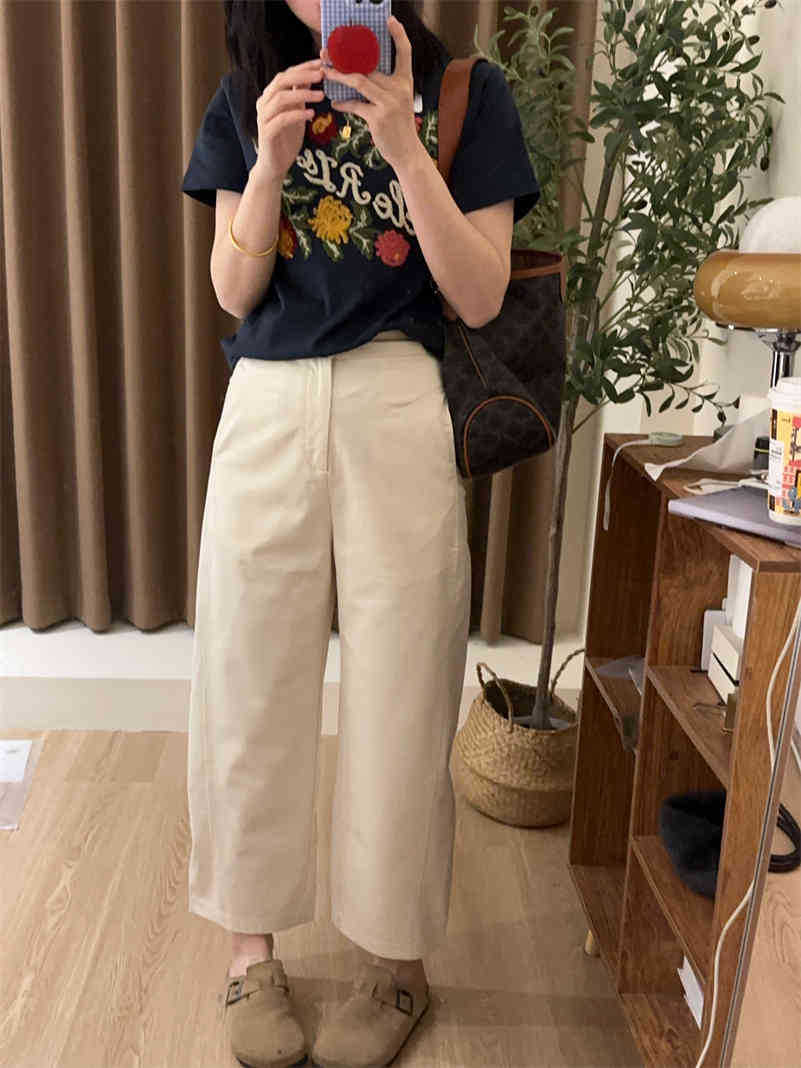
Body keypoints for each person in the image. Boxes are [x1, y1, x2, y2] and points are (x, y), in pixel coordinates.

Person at [180, 1, 540, 1065]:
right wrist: (268, 164)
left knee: (404, 684)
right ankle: (251, 951)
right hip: (268, 402)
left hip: (400, 399)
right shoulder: (248, 94)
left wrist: (403, 146)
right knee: (246, 678)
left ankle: (394, 965)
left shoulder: (466, 94)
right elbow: (233, 290)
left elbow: (481, 295)